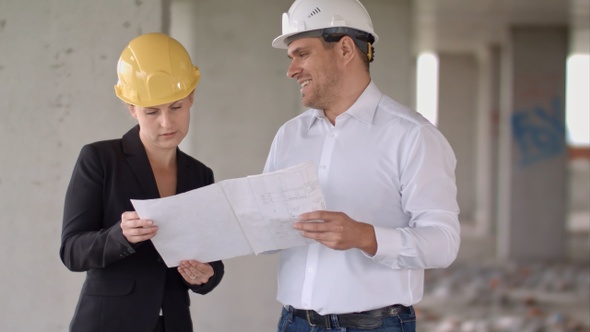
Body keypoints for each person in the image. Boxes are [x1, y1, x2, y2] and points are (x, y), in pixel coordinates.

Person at [264, 0, 461, 331]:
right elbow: (267, 226)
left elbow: (444, 243)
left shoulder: (412, 136)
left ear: (344, 50)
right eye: (291, 57)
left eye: (302, 54)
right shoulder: (289, 136)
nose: (292, 69)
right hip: (294, 322)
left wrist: (365, 236)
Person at [59, 32, 224, 332]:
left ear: (191, 98)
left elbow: (212, 261)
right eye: (151, 112)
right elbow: (71, 251)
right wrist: (120, 236)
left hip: (173, 323)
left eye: (176, 107)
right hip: (107, 323)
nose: (166, 122)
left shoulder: (200, 175)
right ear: (132, 109)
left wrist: (204, 275)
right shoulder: (100, 159)